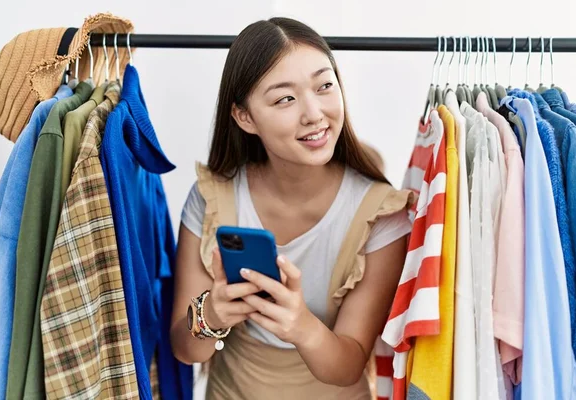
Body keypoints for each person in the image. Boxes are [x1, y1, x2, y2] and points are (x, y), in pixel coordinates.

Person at [171, 16, 414, 400]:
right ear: (245, 117)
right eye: (285, 98)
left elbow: (349, 366)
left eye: (324, 86)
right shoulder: (212, 197)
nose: (314, 113)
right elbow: (186, 351)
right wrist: (213, 313)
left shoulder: (381, 213)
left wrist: (300, 324)